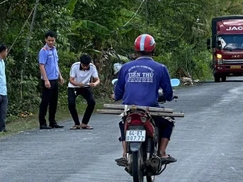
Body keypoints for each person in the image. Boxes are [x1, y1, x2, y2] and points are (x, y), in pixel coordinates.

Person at [113, 34, 175, 166]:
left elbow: (118, 93)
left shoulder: (125, 68)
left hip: (129, 110)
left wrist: (116, 97)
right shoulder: (160, 68)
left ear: (136, 50)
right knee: (168, 122)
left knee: (123, 122)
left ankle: (125, 153)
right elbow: (168, 93)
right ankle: (162, 152)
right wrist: (168, 97)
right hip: (150, 109)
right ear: (153, 49)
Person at [38, 31, 64, 129]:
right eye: (49, 40)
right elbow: (41, 65)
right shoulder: (43, 51)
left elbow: (56, 64)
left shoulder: (54, 50)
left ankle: (52, 121)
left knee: (54, 101)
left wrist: (60, 76)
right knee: (45, 101)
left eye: (52, 40)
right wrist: (46, 80)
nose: (51, 42)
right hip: (47, 79)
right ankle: (42, 122)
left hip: (54, 78)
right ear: (45, 40)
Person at [67, 54, 100, 130]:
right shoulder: (75, 66)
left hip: (85, 86)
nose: (85, 67)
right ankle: (76, 123)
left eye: (87, 65)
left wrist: (94, 84)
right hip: (74, 86)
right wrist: (78, 84)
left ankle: (85, 123)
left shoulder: (92, 67)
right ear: (80, 63)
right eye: (83, 65)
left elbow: (97, 79)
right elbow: (71, 80)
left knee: (92, 102)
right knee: (71, 103)